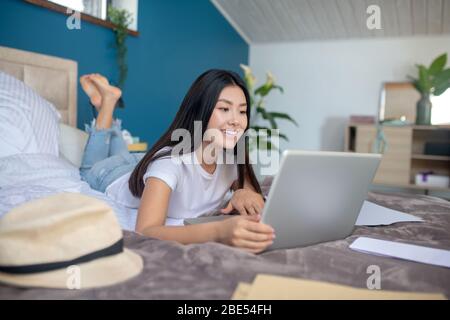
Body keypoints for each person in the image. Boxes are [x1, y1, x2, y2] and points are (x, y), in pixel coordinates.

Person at [79, 70, 275, 253]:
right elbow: (146, 230)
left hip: (142, 162)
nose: (236, 120)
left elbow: (251, 196)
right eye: (224, 108)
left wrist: (243, 192)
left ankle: (107, 104)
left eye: (242, 111)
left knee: (122, 150)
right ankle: (107, 104)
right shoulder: (170, 164)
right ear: (200, 111)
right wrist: (218, 232)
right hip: (112, 174)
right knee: (87, 171)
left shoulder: (233, 161)